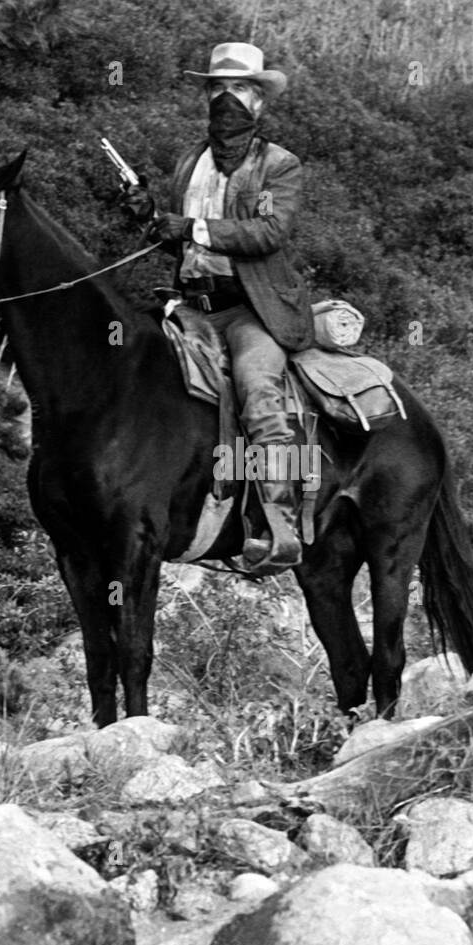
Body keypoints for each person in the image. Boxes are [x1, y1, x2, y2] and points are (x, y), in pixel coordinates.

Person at [120, 42, 314, 570]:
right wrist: (150, 218)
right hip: (191, 306)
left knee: (258, 392)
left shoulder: (280, 164)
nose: (229, 97)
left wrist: (192, 227)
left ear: (260, 102)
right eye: (219, 88)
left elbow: (269, 233)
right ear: (207, 95)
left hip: (252, 308)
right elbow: (181, 243)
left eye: (242, 89)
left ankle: (280, 527)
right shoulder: (189, 161)